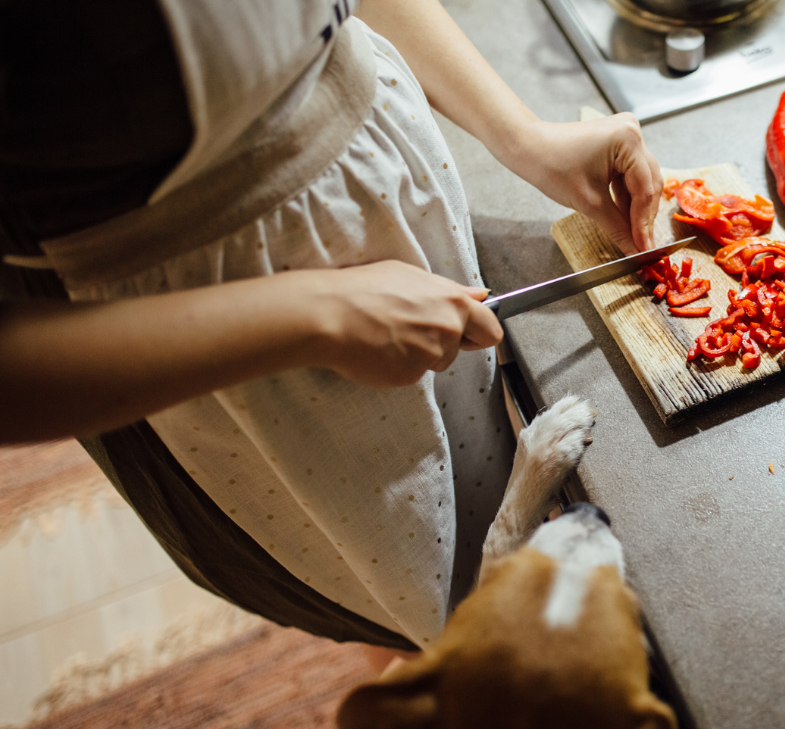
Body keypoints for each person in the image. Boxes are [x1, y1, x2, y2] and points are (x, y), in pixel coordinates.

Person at [0, 0, 663, 650]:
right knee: (419, 603)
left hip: (395, 194)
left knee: (476, 537)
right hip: (223, 355)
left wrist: (522, 136)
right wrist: (323, 316)